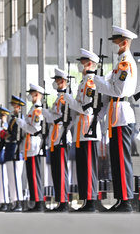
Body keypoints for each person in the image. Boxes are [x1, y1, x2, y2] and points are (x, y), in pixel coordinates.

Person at [93, 26, 138, 212]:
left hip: (121, 114)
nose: (114, 45)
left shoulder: (125, 63)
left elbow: (118, 91)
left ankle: (126, 199)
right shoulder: (120, 62)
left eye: (116, 42)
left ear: (124, 43)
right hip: (115, 114)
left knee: (122, 159)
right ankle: (121, 198)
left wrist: (98, 82)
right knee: (117, 159)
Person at [64, 49, 101, 212]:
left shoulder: (91, 83)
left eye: (83, 62)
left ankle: (91, 200)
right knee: (82, 167)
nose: (80, 66)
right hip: (81, 131)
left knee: (88, 166)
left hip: (89, 129)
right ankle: (85, 200)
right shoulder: (83, 82)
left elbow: (87, 109)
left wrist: (71, 102)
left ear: (90, 64)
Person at [42, 68, 71, 212]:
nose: (55, 83)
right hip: (55, 138)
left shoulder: (65, 98)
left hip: (61, 137)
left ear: (64, 81)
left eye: (57, 80)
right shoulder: (59, 98)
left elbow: (60, 118)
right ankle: (60, 200)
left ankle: (64, 201)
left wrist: (46, 113)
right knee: (56, 171)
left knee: (61, 170)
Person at [17, 83, 45, 212]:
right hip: (29, 144)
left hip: (34, 143)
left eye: (31, 93)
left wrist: (22, 124)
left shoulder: (37, 109)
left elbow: (35, 129)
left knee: (34, 173)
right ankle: (35, 201)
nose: (29, 95)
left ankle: (38, 202)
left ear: (37, 94)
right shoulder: (33, 108)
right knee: (31, 173)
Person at [4, 95, 26, 212]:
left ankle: (19, 202)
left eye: (15, 106)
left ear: (19, 107)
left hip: (16, 151)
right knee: (11, 178)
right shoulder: (13, 119)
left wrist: (8, 136)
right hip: (10, 150)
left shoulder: (20, 119)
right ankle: (13, 201)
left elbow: (18, 135)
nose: (13, 108)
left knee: (16, 177)